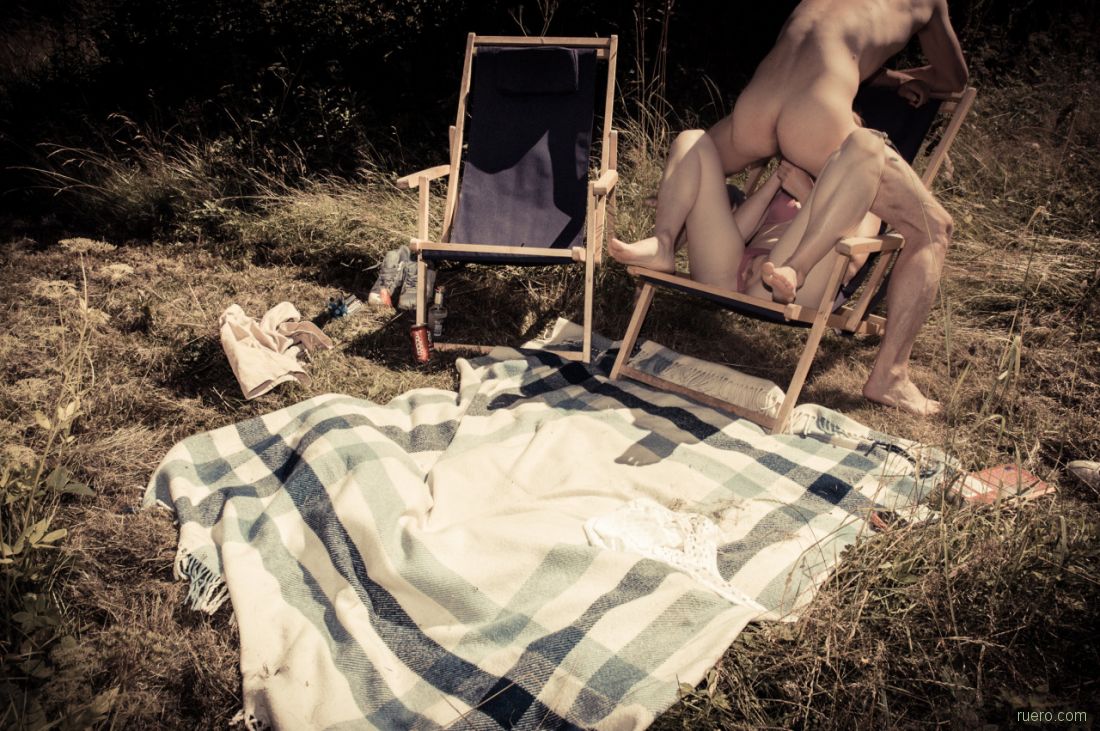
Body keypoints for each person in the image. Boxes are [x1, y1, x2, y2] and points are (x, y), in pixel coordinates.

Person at [615, 0, 968, 416]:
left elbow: (830, 41)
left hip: (761, 97)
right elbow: (953, 79)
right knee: (933, 227)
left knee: (696, 146)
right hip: (819, 108)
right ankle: (889, 374)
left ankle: (665, 241)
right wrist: (907, 80)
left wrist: (886, 79)